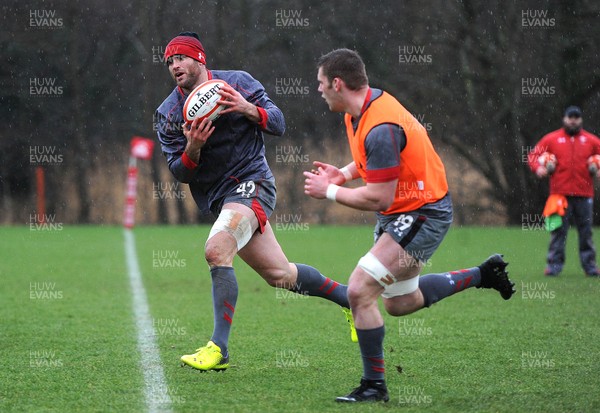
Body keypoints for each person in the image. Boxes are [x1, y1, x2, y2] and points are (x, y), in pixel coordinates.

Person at [304, 48, 516, 403]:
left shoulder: (381, 126)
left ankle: (374, 386)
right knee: (400, 303)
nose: (319, 90)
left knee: (359, 289)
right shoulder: (362, 109)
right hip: (402, 211)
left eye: (321, 83)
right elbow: (373, 162)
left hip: (423, 211)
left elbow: (378, 198)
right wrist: (342, 173)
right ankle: (484, 274)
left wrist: (329, 192)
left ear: (337, 84)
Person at [155, 32, 355, 372]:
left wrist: (247, 108)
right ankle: (350, 298)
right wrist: (194, 147)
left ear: (200, 59)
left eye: (181, 58)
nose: (175, 65)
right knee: (280, 275)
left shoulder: (239, 83)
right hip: (221, 200)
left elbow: (277, 122)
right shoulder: (169, 112)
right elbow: (180, 172)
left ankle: (219, 348)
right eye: (169, 61)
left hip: (253, 183)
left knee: (216, 250)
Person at [528, 106, 600, 277]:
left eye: (576, 117)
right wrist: (538, 168)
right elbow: (533, 155)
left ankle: (590, 267)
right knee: (558, 231)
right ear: (564, 119)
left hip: (584, 194)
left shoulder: (591, 140)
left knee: (586, 232)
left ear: (581, 120)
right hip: (559, 194)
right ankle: (554, 267)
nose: (573, 120)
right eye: (570, 117)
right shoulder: (552, 139)